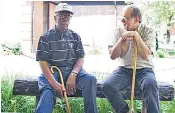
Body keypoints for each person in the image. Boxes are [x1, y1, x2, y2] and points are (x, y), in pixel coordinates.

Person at [35, 3, 98, 113]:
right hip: (52, 71)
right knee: (47, 93)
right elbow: (42, 62)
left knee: (90, 80)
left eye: (68, 16)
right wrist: (54, 84)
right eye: (62, 15)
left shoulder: (75, 36)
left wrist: (73, 74)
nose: (65, 18)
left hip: (72, 71)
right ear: (55, 17)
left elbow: (80, 58)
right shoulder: (45, 37)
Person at [102, 5, 160, 113]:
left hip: (144, 70)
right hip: (124, 70)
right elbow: (113, 56)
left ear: (136, 19)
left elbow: (146, 55)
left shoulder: (148, 31)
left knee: (150, 84)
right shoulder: (118, 31)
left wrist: (136, 36)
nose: (122, 20)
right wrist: (122, 39)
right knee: (107, 86)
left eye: (126, 18)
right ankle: (125, 111)